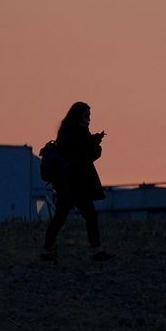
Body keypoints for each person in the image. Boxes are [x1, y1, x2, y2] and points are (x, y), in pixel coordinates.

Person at [42, 101, 114, 262]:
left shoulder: (67, 131)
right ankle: (96, 250)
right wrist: (96, 144)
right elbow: (86, 155)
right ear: (78, 116)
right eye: (86, 116)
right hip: (76, 184)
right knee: (88, 216)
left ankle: (48, 250)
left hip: (67, 184)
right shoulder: (78, 133)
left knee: (61, 218)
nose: (89, 119)